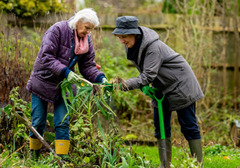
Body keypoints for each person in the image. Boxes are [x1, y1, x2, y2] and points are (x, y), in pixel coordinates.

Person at [111, 16, 204, 167]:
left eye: (124, 37)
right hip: (161, 87)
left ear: (135, 33)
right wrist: (144, 85)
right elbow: (147, 73)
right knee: (160, 126)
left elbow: (147, 75)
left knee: (188, 125)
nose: (122, 40)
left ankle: (197, 165)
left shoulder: (153, 47)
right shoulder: (133, 46)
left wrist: (124, 84)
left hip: (181, 84)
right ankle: (164, 165)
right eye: (119, 37)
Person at [26, 8, 107, 160]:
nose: (88, 32)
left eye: (91, 29)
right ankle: (34, 158)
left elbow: (88, 66)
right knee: (38, 121)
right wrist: (66, 71)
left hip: (64, 86)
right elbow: (46, 56)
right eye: (87, 28)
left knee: (62, 123)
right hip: (43, 81)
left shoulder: (85, 40)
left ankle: (60, 159)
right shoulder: (57, 30)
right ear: (78, 22)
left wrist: (101, 78)